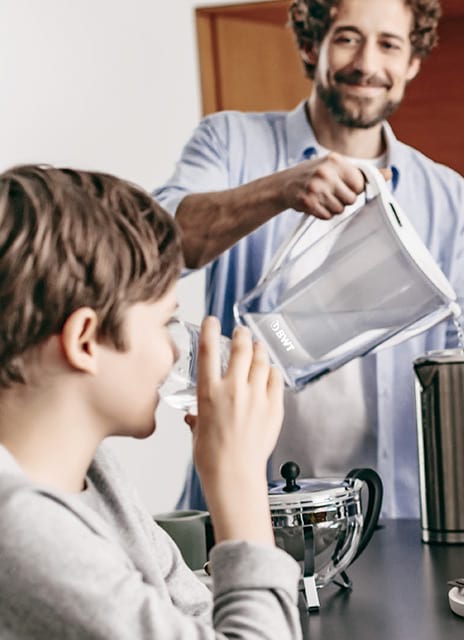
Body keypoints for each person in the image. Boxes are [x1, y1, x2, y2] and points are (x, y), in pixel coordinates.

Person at [154, 0, 464, 518]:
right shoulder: (231, 142)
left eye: (389, 44)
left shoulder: (447, 196)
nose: (367, 63)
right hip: (244, 511)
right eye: (348, 38)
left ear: (411, 61)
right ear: (312, 45)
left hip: (395, 515)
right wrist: (279, 189)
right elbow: (156, 246)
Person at [0, 165, 300, 638]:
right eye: (164, 324)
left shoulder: (97, 474)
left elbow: (191, 613)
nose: (176, 352)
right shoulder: (19, 528)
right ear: (84, 340)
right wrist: (238, 479)